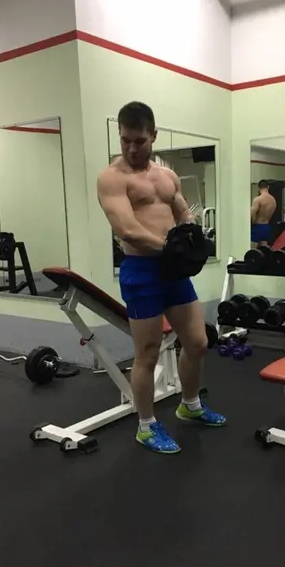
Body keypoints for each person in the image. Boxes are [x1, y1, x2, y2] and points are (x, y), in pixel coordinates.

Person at [97, 101, 226, 454]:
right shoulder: (112, 178)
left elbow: (183, 212)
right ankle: (146, 425)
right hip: (141, 271)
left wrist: (191, 235)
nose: (132, 148)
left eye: (139, 141)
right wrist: (172, 248)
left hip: (172, 271)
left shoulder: (167, 176)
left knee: (197, 342)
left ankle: (190, 405)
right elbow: (127, 229)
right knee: (148, 353)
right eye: (125, 140)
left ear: (153, 135)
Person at [251, 180, 277, 246]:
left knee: (253, 249)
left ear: (258, 188)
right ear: (268, 187)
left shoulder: (257, 199)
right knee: (263, 250)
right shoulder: (273, 200)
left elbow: (252, 213)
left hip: (257, 227)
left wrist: (252, 222)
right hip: (266, 227)